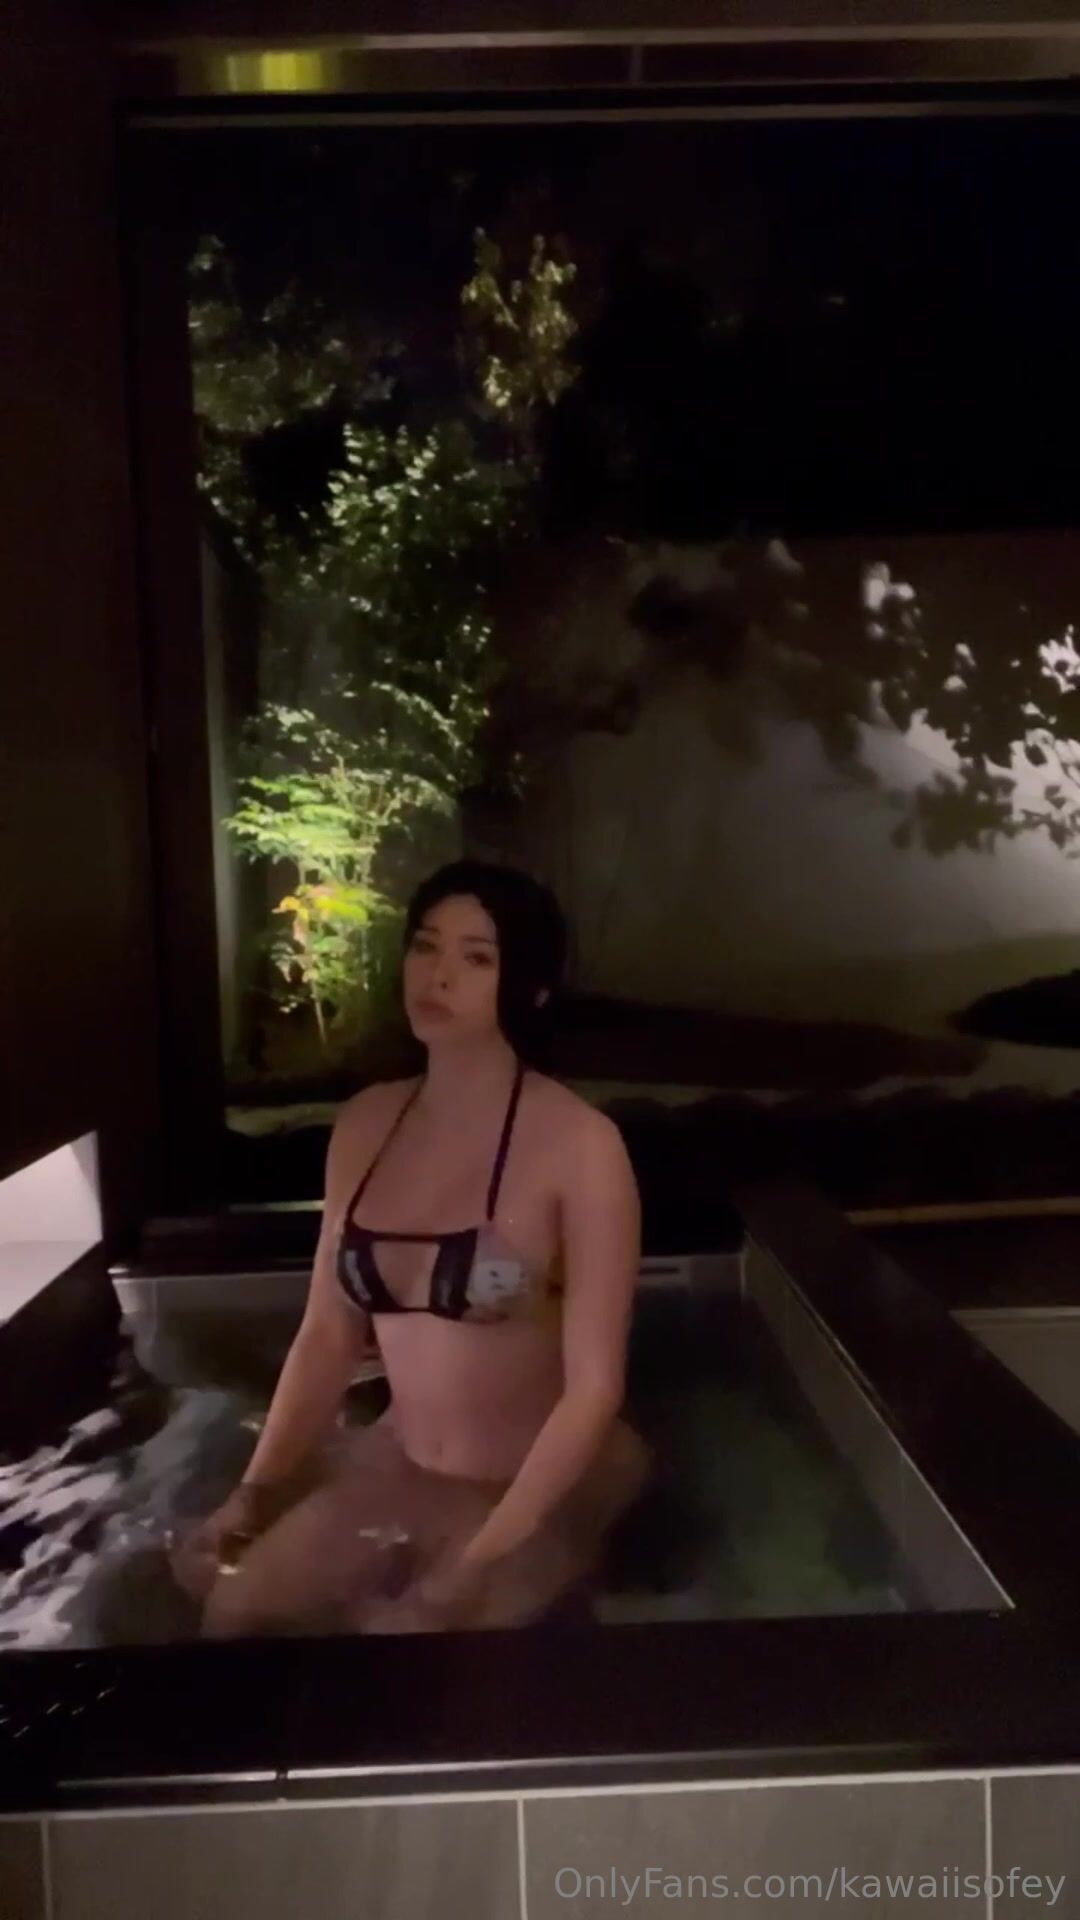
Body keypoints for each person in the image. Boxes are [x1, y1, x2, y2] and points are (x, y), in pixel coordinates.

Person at [173, 860, 650, 1635]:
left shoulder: (580, 1146)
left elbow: (594, 1391)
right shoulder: (366, 1124)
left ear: (531, 989)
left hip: (530, 1482)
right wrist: (251, 1496)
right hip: (398, 1460)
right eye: (425, 947)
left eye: (476, 957)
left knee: (410, 1644)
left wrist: (481, 1560)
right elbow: (328, 1335)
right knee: (231, 1613)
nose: (439, 975)